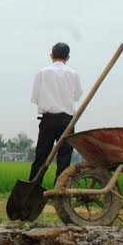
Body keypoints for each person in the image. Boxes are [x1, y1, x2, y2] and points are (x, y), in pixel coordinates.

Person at [29, 42, 83, 185]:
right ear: (68, 57)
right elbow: (77, 96)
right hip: (67, 120)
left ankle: (33, 185)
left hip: (48, 119)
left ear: (51, 55)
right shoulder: (73, 74)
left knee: (41, 155)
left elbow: (35, 97)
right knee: (64, 157)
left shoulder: (42, 73)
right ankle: (59, 191)